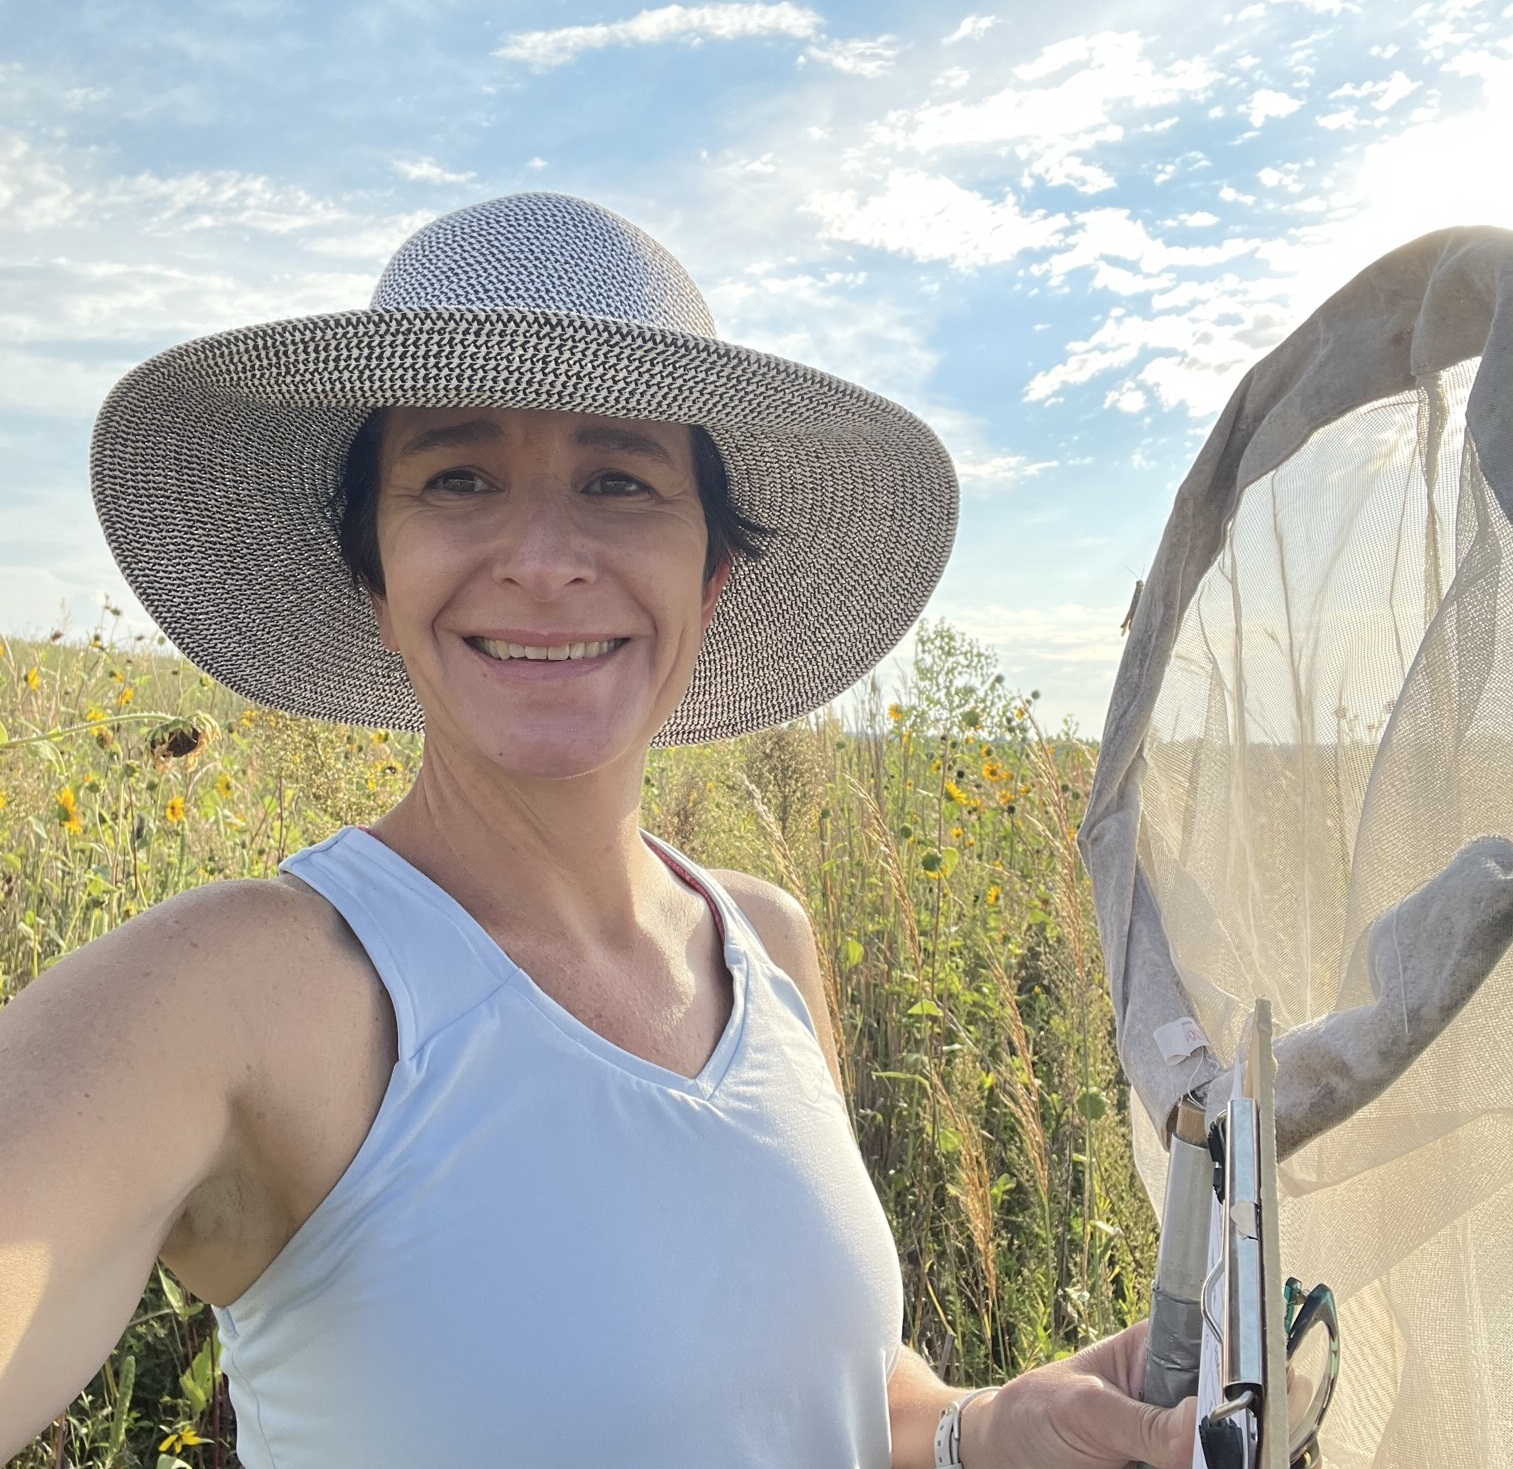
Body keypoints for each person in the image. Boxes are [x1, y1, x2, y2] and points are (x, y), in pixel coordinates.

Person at [0, 192, 1196, 1468]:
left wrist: (976, 1426)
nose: (544, 556)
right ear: (374, 567)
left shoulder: (767, 945)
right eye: (457, 477)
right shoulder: (235, 994)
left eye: (620, 482)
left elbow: (825, 1393)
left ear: (710, 574)